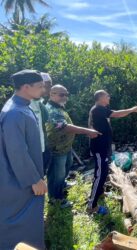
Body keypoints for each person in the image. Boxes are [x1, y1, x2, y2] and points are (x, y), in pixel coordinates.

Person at [0, 70, 47, 249]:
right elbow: (16, 150)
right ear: (26, 87)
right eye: (40, 86)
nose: (43, 90)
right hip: (17, 181)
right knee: (18, 222)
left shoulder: (21, 105)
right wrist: (33, 179)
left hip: (19, 176)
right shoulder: (15, 112)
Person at [87, 90, 137, 213]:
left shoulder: (99, 109)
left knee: (102, 172)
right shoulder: (98, 109)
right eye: (107, 96)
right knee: (100, 175)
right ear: (101, 98)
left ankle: (99, 193)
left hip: (103, 147)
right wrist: (132, 109)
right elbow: (116, 114)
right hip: (99, 147)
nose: (109, 97)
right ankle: (91, 206)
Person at [46, 84, 100, 208]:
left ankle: (62, 185)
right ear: (52, 94)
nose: (65, 97)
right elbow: (64, 127)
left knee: (66, 167)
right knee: (56, 175)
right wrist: (88, 131)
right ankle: (56, 199)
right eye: (61, 94)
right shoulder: (51, 109)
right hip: (57, 149)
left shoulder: (58, 106)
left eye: (66, 94)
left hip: (65, 147)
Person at [29, 72, 52, 174]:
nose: (49, 89)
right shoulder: (28, 104)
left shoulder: (40, 102)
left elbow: (47, 122)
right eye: (47, 86)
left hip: (42, 147)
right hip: (33, 152)